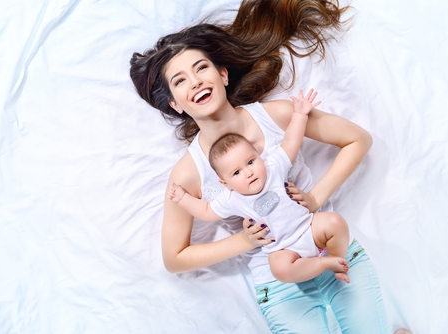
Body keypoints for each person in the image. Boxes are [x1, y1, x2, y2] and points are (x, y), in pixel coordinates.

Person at [130, 0, 412, 332]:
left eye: (201, 68)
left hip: (330, 248)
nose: (194, 81)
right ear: (175, 104)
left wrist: (316, 197)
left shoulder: (277, 115)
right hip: (278, 282)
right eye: (180, 81)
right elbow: (174, 259)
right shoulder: (188, 173)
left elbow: (358, 140)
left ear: (222, 75)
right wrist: (245, 242)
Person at [167, 89, 351, 284]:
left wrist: (299, 114)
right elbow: (205, 211)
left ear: (259, 157)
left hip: (309, 227)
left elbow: (291, 141)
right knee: (280, 270)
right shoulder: (232, 199)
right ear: (225, 183)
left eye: (251, 162)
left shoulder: (274, 168)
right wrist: (182, 198)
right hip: (282, 249)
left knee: (334, 222)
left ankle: (336, 257)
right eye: (236, 173)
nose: (248, 172)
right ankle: (324, 264)